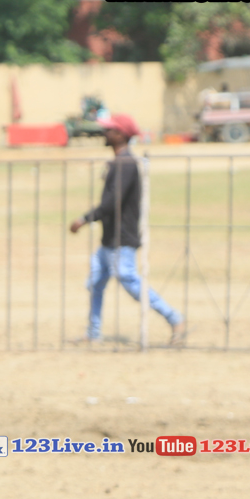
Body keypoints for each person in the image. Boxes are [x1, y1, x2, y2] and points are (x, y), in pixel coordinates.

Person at [70, 113, 186, 346]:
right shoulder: (117, 162)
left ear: (120, 135)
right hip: (109, 239)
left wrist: (85, 219)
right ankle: (93, 332)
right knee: (95, 282)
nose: (104, 133)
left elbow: (112, 202)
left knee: (130, 282)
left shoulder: (126, 164)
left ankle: (174, 318)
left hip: (122, 238)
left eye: (109, 130)